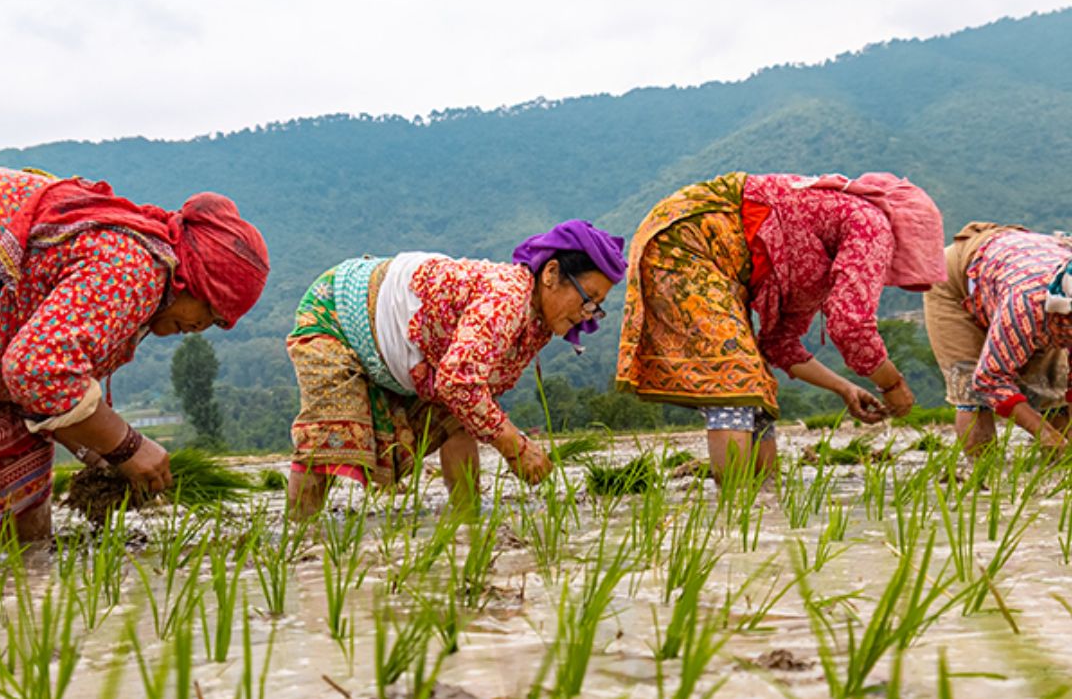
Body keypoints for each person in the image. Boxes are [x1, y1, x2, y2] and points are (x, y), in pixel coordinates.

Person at [0, 149, 268, 538]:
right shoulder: (136, 269)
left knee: (24, 445)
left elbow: (43, 395)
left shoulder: (133, 248)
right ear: (192, 280)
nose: (200, 328)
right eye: (211, 314)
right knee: (16, 434)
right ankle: (28, 574)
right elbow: (36, 370)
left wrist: (103, 454)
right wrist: (131, 446)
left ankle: (28, 575)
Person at [285, 221, 627, 517]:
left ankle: (467, 522)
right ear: (551, 274)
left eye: (596, 307)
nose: (587, 313)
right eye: (588, 298)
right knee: (328, 436)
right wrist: (515, 446)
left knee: (463, 418)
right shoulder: (506, 300)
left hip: (403, 351)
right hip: (336, 314)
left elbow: (469, 402)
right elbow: (460, 384)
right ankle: (298, 542)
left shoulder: (538, 322)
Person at [616, 171, 947, 476]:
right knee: (734, 381)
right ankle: (734, 515)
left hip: (703, 251)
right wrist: (892, 385)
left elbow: (779, 344)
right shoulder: (872, 224)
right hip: (687, 240)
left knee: (759, 389)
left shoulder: (815, 253)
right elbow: (851, 326)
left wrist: (845, 388)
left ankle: (763, 508)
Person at [923, 222, 1072, 455]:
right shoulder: (1028, 306)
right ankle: (980, 479)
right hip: (957, 281)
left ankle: (1055, 475)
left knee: (1053, 391)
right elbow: (989, 379)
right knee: (971, 391)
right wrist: (1044, 433)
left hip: (1015, 270)